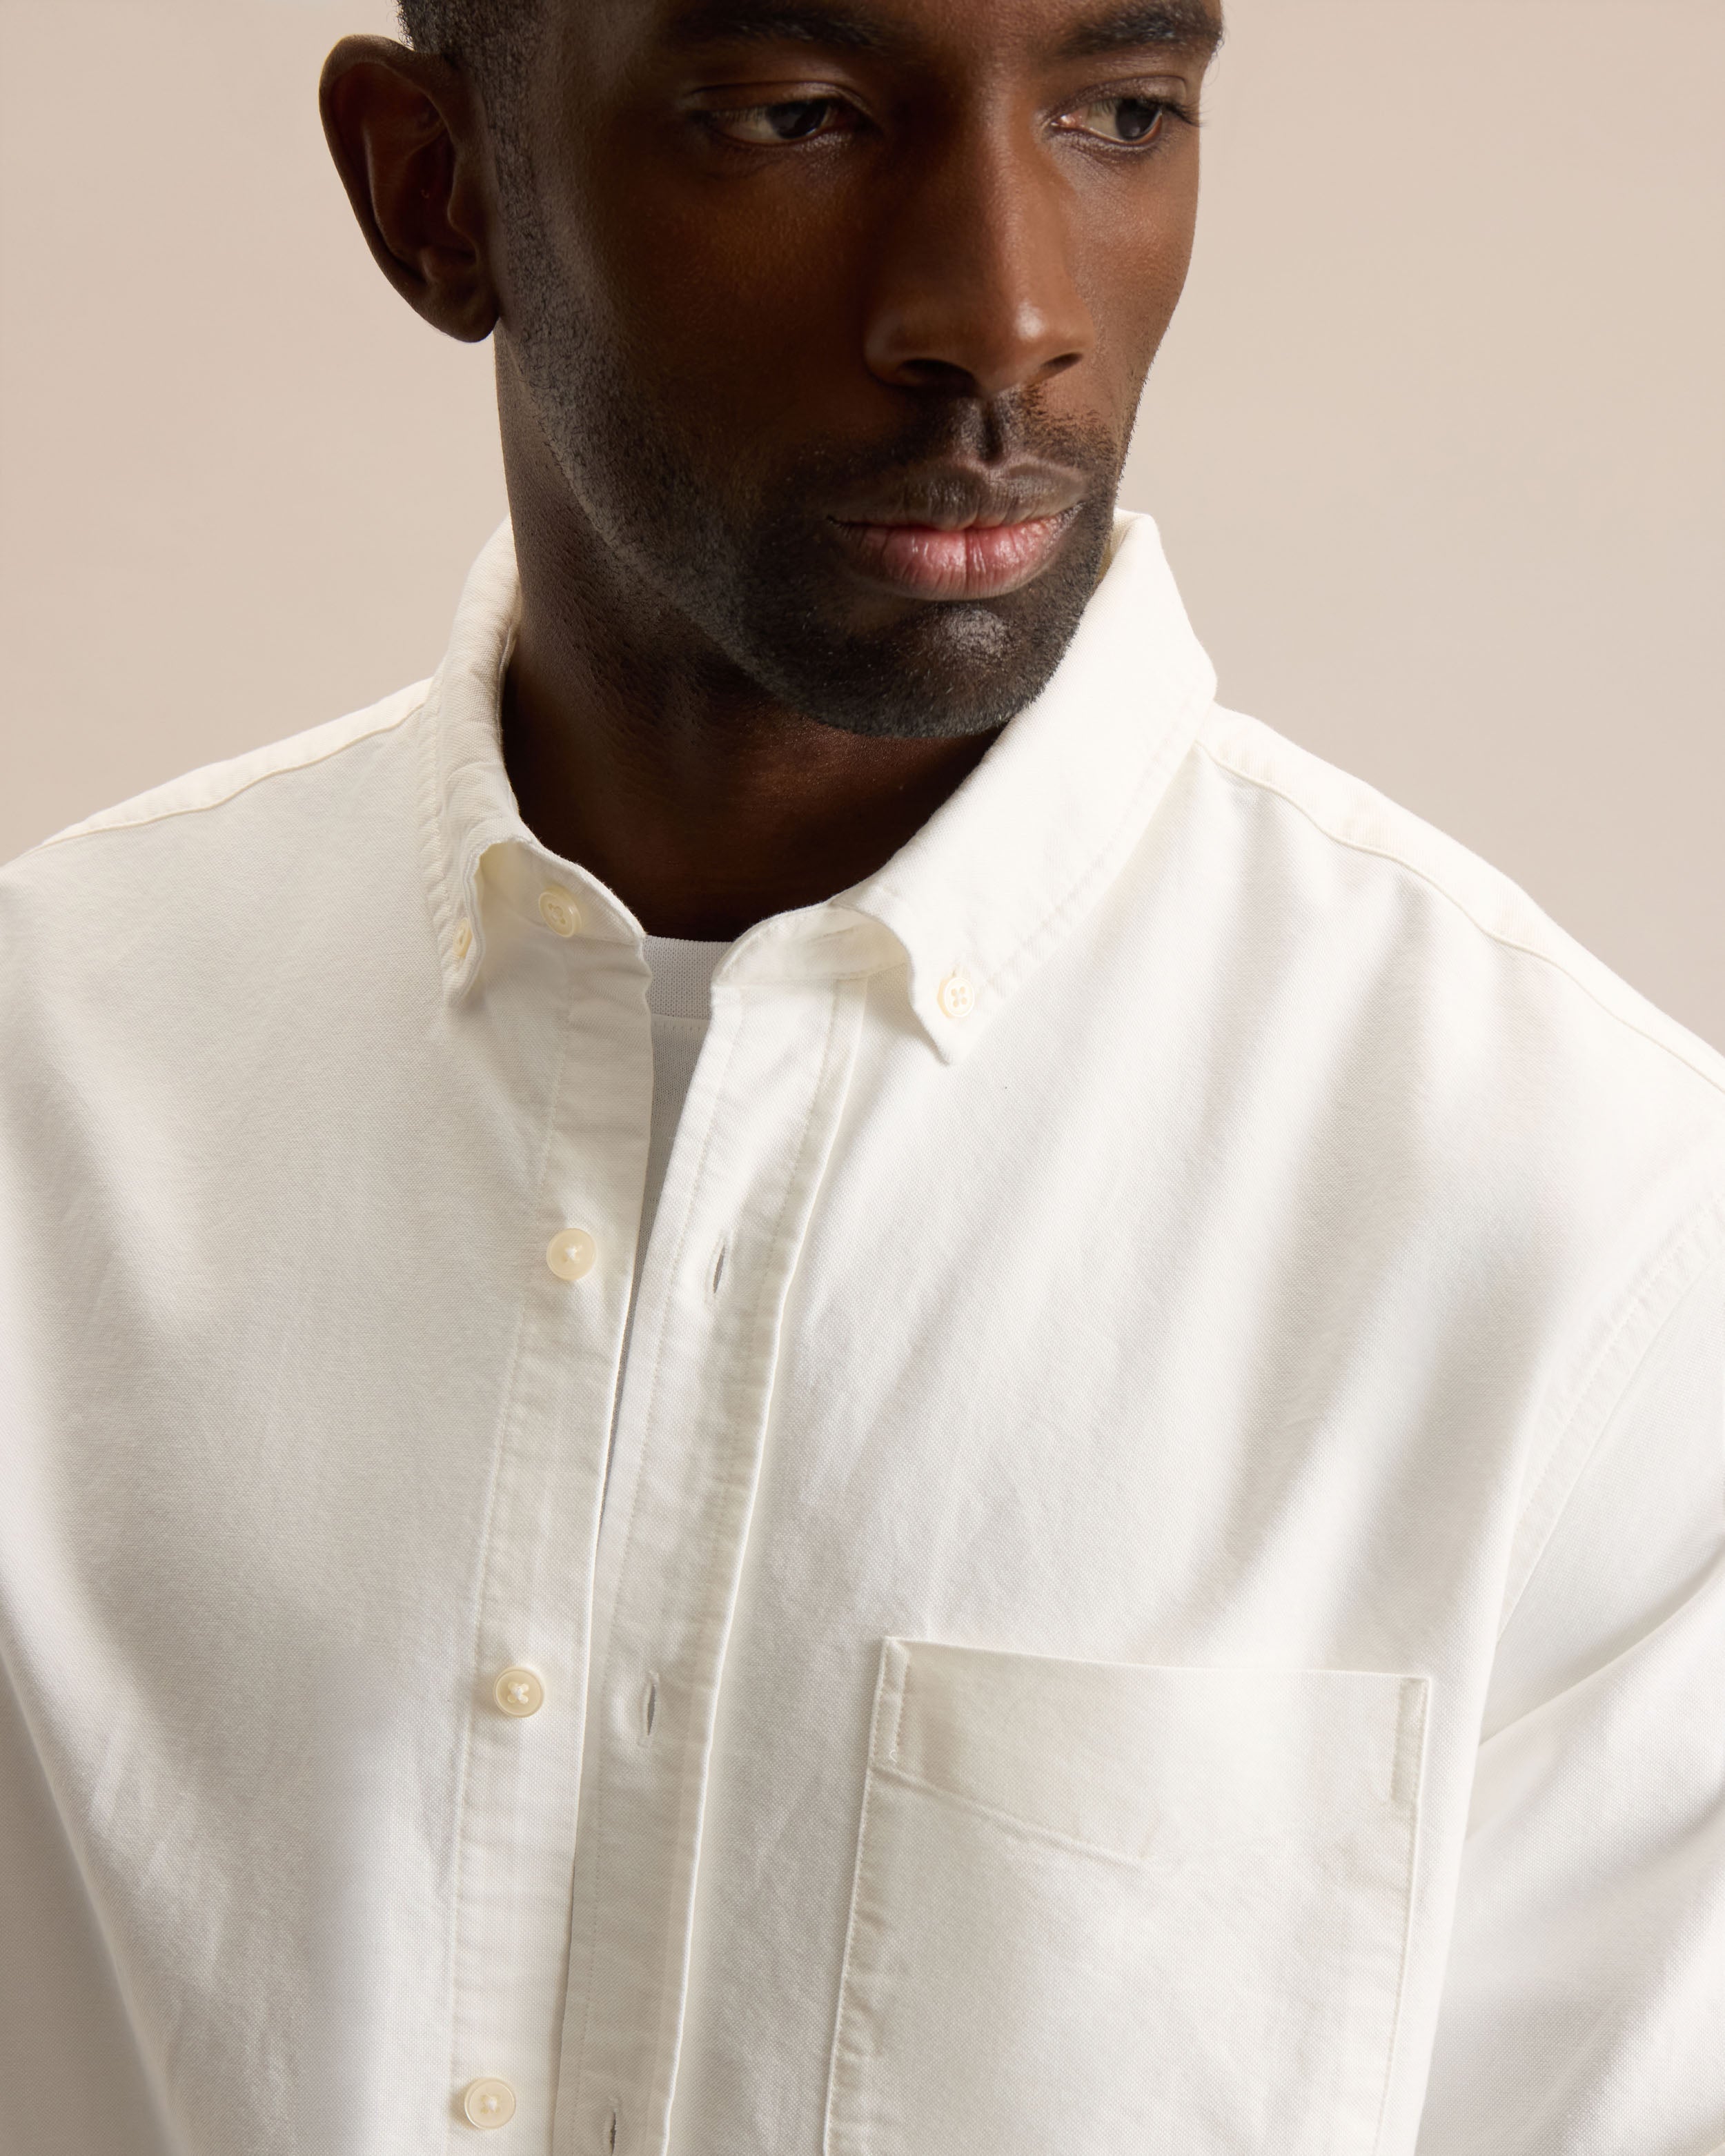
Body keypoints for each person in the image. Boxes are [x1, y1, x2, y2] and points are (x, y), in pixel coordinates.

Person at [0, 0, 1719, 2148]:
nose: (1002, 317)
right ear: (436, 192)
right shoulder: (46, 1086)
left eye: (1121, 112)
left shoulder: (1600, 1242)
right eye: (797, 117)